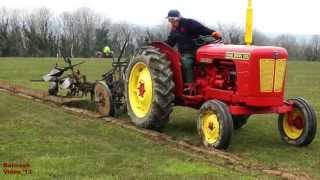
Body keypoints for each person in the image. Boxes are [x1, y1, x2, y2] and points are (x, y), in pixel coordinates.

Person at [165, 9, 221, 84]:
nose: (171, 23)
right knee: (187, 63)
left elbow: (201, 29)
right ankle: (189, 86)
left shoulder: (188, 23)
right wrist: (159, 47)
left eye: (173, 20)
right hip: (186, 53)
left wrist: (212, 32)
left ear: (178, 18)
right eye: (169, 20)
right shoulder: (174, 30)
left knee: (208, 59)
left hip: (197, 49)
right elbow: (170, 43)